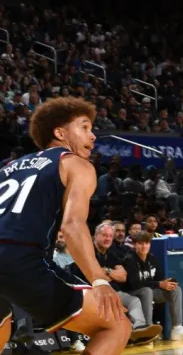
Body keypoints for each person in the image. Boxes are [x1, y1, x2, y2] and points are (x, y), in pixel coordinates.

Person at [0, 97, 131, 354]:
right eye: (84, 127)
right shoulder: (75, 164)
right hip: (22, 260)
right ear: (60, 133)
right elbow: (72, 225)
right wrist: (99, 280)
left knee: (2, 324)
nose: (93, 136)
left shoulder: (7, 168)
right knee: (116, 325)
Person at [123, 231, 183, 341]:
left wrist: (166, 282)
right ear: (135, 245)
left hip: (149, 292)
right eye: (140, 243)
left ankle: (177, 329)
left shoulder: (152, 259)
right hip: (131, 294)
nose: (144, 246)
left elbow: (159, 278)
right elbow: (134, 283)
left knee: (175, 289)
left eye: (147, 243)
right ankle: (148, 329)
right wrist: (159, 284)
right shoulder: (129, 259)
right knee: (147, 291)